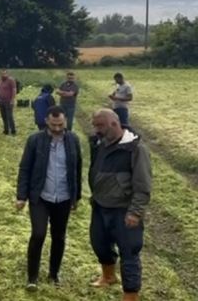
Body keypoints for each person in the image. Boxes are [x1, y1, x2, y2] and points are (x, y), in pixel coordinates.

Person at [16, 106, 83, 290]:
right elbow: (25, 169)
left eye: (60, 124)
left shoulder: (73, 140)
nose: (56, 128)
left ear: (65, 121)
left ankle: (54, 274)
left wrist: (76, 197)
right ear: (46, 121)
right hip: (40, 196)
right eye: (53, 125)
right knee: (38, 234)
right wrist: (21, 196)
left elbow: (77, 167)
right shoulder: (35, 140)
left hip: (63, 197)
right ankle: (32, 277)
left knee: (59, 236)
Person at [88, 109, 151, 301]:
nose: (96, 130)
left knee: (129, 251)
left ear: (114, 124)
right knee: (99, 244)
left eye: (100, 126)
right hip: (100, 205)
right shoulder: (100, 144)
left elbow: (143, 185)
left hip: (124, 209)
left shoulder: (135, 149)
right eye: (95, 125)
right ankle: (108, 276)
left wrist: (135, 211)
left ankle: (131, 294)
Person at [0, 69, 18, 135]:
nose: (3, 75)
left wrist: (12, 99)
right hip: (1, 101)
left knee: (9, 116)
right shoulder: (0, 80)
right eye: (2, 74)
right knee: (3, 116)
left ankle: (13, 130)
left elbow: (14, 90)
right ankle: (6, 130)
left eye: (4, 73)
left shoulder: (11, 80)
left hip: (8, 101)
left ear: (7, 74)